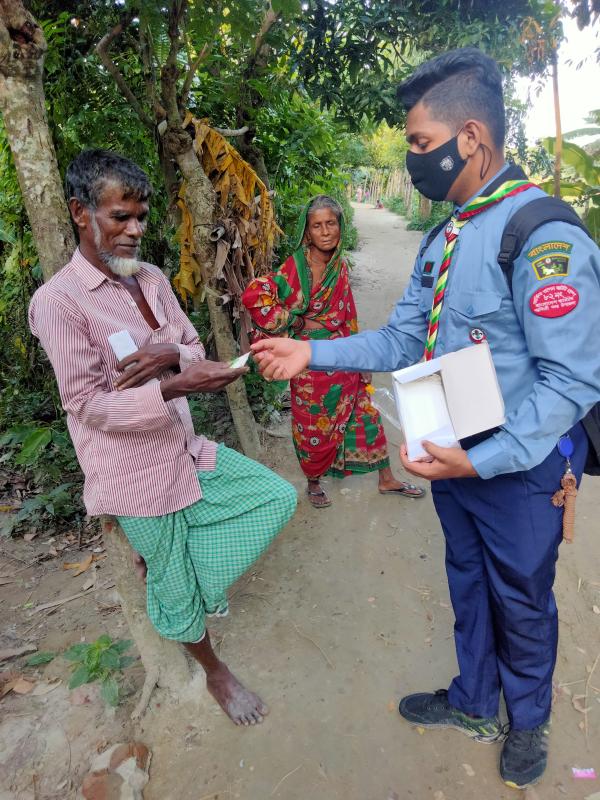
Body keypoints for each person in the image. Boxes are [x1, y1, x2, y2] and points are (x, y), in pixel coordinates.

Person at [250, 49, 600, 787]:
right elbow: (403, 338)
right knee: (467, 580)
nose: (413, 160)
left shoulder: (541, 236)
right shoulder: (446, 236)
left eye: (419, 143)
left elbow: (570, 379)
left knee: (522, 600)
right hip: (450, 453)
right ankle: (474, 700)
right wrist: (311, 351)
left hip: (520, 468)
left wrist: (484, 458)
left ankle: (527, 720)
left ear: (470, 137)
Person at [29, 149, 297, 727]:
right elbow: (86, 404)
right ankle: (215, 671)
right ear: (80, 212)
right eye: (120, 217)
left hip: (183, 450)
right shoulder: (58, 302)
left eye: (141, 217)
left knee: (274, 497)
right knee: (174, 584)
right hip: (134, 478)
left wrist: (172, 355)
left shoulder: (150, 278)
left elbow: (192, 348)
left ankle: (173, 580)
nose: (135, 230)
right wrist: (174, 386)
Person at [242, 195, 424, 508]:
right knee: (312, 427)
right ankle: (313, 481)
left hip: (342, 355)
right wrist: (296, 322)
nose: (325, 232)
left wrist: (362, 360)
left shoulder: (337, 265)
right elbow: (254, 295)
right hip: (308, 362)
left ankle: (386, 478)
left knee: (366, 414)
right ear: (307, 231)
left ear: (341, 226)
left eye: (331, 223)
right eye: (317, 226)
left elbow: (348, 314)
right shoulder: (295, 268)